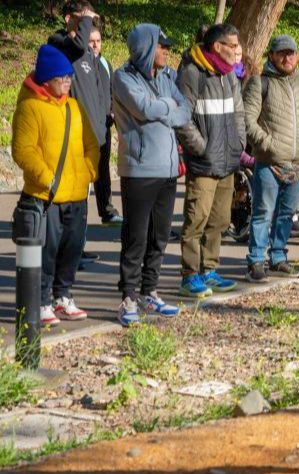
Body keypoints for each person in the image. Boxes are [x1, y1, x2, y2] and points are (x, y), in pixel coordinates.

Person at [12, 45, 100, 327]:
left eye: (69, 78)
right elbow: (23, 150)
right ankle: (41, 300)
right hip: (46, 195)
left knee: (72, 249)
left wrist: (89, 171)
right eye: (61, 78)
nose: (67, 83)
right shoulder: (29, 107)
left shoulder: (74, 107)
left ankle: (63, 295)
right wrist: (47, 177)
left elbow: (91, 143)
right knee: (46, 252)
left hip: (76, 193)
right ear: (46, 79)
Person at [112, 23, 189, 326]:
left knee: (159, 236)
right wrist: (167, 106)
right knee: (136, 237)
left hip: (168, 169)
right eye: (162, 45)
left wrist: (165, 106)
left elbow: (185, 111)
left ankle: (150, 291)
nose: (167, 51)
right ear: (146, 48)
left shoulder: (167, 77)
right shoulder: (123, 77)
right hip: (140, 170)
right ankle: (128, 297)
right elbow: (143, 108)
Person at [242, 34, 299, 282]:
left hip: (298, 163)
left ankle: (278, 257)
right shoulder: (260, 83)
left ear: (297, 56)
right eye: (281, 53)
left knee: (286, 214)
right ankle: (256, 260)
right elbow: (247, 118)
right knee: (262, 212)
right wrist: (267, 145)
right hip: (269, 162)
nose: (287, 57)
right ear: (272, 56)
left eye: (291, 53)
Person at [175, 23, 244, 299]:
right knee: (196, 220)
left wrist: (238, 142)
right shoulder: (192, 73)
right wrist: (201, 148)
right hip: (204, 163)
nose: (237, 51)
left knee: (219, 219)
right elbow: (182, 118)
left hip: (227, 160)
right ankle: (190, 275)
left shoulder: (229, 75)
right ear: (217, 47)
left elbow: (238, 112)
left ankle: (209, 269)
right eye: (233, 45)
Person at [49, 1, 119, 225]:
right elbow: (77, 45)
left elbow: (99, 91)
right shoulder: (59, 42)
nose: (87, 26)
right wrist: (86, 20)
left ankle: (79, 242)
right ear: (69, 18)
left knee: (91, 186)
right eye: (83, 19)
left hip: (96, 132)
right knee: (77, 192)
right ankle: (71, 248)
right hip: (75, 133)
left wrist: (104, 123)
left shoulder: (89, 54)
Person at [87, 27, 122, 230]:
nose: (95, 44)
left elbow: (111, 92)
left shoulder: (105, 63)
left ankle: (107, 210)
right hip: (86, 127)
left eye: (98, 40)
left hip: (104, 126)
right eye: (91, 40)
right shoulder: (81, 64)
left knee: (103, 170)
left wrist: (112, 112)